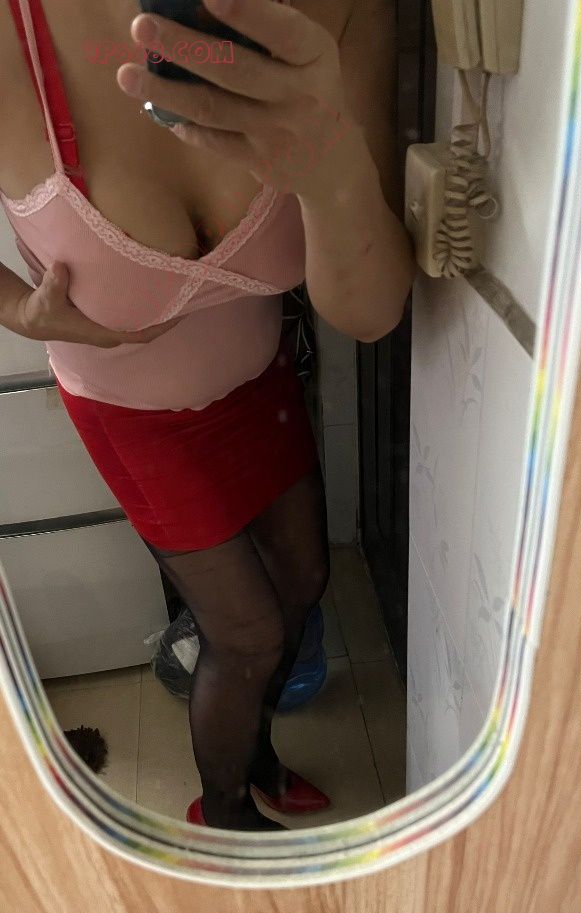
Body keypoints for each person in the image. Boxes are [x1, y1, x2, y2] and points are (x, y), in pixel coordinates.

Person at [0, 0, 416, 831]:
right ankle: (224, 814)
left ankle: (256, 757)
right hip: (132, 419)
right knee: (249, 634)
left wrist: (333, 175)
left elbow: (371, 314)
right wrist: (18, 311)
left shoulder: (337, 11)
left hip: (257, 380)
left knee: (303, 579)